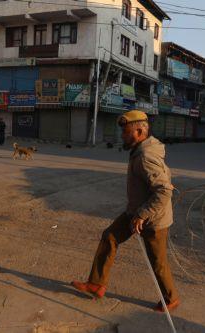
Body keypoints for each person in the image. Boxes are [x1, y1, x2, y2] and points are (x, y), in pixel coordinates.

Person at [71, 110, 180, 312]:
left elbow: (164, 191)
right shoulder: (141, 150)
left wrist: (142, 214)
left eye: (125, 132)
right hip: (136, 212)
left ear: (139, 131)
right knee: (109, 237)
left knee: (157, 261)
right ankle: (96, 284)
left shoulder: (146, 156)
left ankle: (171, 298)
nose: (122, 136)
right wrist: (137, 212)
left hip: (152, 218)